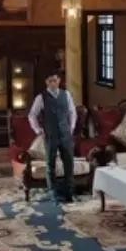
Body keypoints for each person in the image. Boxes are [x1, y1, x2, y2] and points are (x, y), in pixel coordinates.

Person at [27, 72, 77, 202]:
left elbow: (72, 112)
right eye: (50, 81)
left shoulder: (66, 95)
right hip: (50, 134)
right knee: (51, 164)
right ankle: (52, 192)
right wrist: (38, 130)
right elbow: (32, 115)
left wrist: (71, 128)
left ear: (59, 80)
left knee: (69, 163)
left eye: (54, 80)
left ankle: (69, 192)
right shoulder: (41, 98)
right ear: (46, 82)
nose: (53, 83)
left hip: (65, 134)